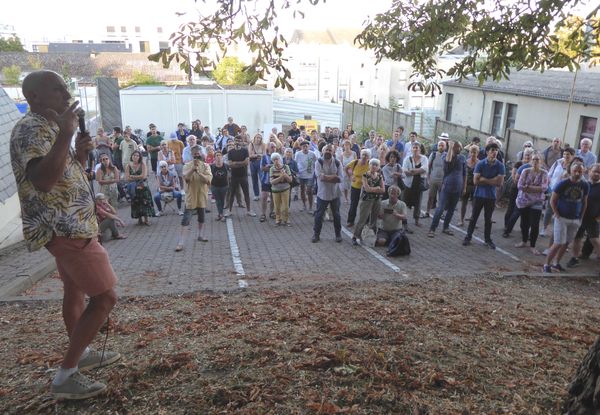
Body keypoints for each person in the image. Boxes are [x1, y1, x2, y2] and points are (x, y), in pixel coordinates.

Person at [10, 70, 119, 399]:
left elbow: (62, 175)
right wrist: (65, 136)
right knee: (105, 298)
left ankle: (80, 354)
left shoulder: (50, 127)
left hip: (75, 223)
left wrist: (79, 153)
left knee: (74, 290)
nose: (65, 91)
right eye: (57, 89)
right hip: (66, 228)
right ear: (35, 98)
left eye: (64, 86)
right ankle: (66, 376)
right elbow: (42, 181)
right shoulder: (30, 129)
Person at [543, 162, 589, 272]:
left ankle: (556, 263)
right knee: (558, 243)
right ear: (570, 171)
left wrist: (580, 218)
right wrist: (557, 214)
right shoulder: (563, 183)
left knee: (566, 243)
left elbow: (584, 202)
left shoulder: (585, 184)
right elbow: (552, 200)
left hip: (575, 219)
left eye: (580, 171)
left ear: (583, 172)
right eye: (575, 171)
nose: (577, 173)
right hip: (562, 218)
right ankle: (546, 265)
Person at [462, 142, 505, 249]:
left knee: (488, 219)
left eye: (496, 150)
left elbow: (499, 183)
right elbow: (476, 181)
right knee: (473, 218)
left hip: (491, 197)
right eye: (492, 150)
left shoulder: (500, 165)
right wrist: (492, 180)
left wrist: (484, 179)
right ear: (487, 152)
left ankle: (487, 239)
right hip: (479, 195)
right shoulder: (480, 164)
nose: (494, 152)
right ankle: (468, 237)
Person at [175, 146, 213, 251]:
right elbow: (186, 178)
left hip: (202, 196)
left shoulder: (206, 166)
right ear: (192, 155)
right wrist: (193, 169)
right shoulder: (187, 166)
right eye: (195, 154)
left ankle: (200, 235)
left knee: (202, 217)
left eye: (198, 153)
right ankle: (181, 242)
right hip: (191, 197)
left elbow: (208, 181)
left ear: (202, 154)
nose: (197, 155)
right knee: (185, 219)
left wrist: (199, 172)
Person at [428, 141, 466, 237]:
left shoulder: (462, 158)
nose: (460, 149)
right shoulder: (445, 156)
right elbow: (448, 161)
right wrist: (450, 147)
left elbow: (464, 174)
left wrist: (464, 187)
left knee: (452, 209)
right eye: (458, 147)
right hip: (446, 187)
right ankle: (432, 229)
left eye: (460, 147)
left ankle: (445, 227)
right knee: (440, 209)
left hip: (457, 188)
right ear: (453, 148)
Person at [513, 153, 548, 255]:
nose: (535, 161)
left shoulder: (544, 173)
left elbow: (544, 188)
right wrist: (535, 189)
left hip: (537, 202)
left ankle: (532, 246)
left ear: (541, 161)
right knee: (524, 223)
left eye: (537, 160)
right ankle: (524, 241)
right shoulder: (525, 171)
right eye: (533, 159)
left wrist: (528, 187)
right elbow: (520, 185)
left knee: (534, 224)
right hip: (523, 200)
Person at [567, 163, 600, 266]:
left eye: (599, 172)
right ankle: (574, 258)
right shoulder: (582, 184)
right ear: (589, 171)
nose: (597, 174)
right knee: (577, 238)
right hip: (579, 216)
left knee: (594, 239)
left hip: (593, 218)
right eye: (595, 171)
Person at [312, 144, 343, 243]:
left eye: (330, 150)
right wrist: (333, 177)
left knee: (336, 215)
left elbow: (340, 179)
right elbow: (320, 178)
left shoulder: (338, 163)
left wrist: (327, 177)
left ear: (333, 152)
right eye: (326, 150)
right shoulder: (318, 162)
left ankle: (338, 235)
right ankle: (316, 235)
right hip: (322, 194)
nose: (328, 151)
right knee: (319, 215)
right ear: (322, 151)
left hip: (335, 194)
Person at [352, 158, 385, 245]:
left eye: (376, 165)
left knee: (374, 219)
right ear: (369, 165)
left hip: (377, 200)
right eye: (372, 164)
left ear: (378, 167)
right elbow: (366, 189)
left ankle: (371, 237)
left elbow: (383, 189)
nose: (374, 166)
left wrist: (373, 189)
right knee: (363, 219)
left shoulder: (380, 176)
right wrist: (376, 189)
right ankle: (355, 236)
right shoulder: (365, 175)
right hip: (366, 200)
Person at [225, 135, 256, 217]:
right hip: (234, 176)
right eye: (236, 140)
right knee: (232, 194)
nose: (237, 142)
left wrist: (236, 163)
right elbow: (230, 164)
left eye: (239, 140)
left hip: (243, 175)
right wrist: (240, 163)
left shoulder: (245, 151)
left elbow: (246, 162)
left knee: (246, 194)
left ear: (241, 142)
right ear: (234, 141)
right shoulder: (230, 152)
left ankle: (249, 210)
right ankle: (229, 210)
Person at [402, 142, 429, 230]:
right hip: (408, 184)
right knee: (404, 202)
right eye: (414, 147)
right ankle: (403, 220)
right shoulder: (407, 158)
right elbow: (405, 171)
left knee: (418, 203)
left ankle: (416, 220)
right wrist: (418, 171)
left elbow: (425, 169)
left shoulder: (424, 158)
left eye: (417, 147)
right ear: (411, 149)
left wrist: (412, 171)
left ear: (420, 149)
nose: (415, 149)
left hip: (419, 184)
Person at [125, 150, 155, 225]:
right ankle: (139, 219)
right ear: (131, 156)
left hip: (143, 187)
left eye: (137, 155)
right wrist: (138, 177)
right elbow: (127, 178)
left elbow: (144, 176)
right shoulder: (128, 165)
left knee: (145, 202)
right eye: (134, 155)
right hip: (134, 188)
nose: (135, 157)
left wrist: (133, 176)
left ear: (139, 157)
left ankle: (146, 219)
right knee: (136, 203)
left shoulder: (142, 164)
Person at [346, 149, 371, 226]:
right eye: (363, 154)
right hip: (355, 186)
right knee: (354, 204)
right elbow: (346, 168)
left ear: (369, 157)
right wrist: (351, 176)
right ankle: (350, 221)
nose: (364, 156)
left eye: (366, 155)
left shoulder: (370, 164)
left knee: (366, 205)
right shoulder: (355, 162)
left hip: (366, 187)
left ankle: (366, 222)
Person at [425, 140, 447, 218]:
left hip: (442, 181)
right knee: (431, 197)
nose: (441, 147)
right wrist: (428, 178)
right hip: (433, 180)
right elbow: (429, 167)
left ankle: (440, 213)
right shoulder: (433, 154)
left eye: (442, 145)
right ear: (437, 146)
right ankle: (427, 212)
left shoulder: (447, 156)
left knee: (441, 198)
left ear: (445, 146)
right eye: (439, 145)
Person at [269, 152, 293, 226]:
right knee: (277, 206)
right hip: (275, 190)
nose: (276, 161)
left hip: (285, 189)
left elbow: (290, 180)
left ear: (280, 159)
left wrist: (284, 175)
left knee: (285, 206)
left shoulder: (286, 167)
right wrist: (281, 177)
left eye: (277, 159)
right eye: (274, 160)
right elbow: (272, 182)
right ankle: (278, 220)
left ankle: (286, 220)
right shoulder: (272, 169)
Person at [295, 140, 317, 213]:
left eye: (306, 146)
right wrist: (296, 173)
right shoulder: (298, 154)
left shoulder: (312, 154)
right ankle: (304, 205)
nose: (305, 148)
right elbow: (295, 163)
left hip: (310, 175)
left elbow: (316, 163)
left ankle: (310, 207)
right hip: (301, 175)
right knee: (302, 190)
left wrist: (316, 173)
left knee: (309, 191)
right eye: (303, 146)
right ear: (301, 147)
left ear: (309, 147)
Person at [459, 144, 479, 226]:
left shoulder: (480, 163)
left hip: (476, 186)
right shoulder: (466, 162)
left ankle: (473, 220)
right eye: (472, 152)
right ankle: (461, 220)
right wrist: (463, 187)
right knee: (464, 203)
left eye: (475, 152)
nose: (473, 154)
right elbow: (462, 174)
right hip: (466, 185)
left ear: (477, 153)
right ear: (469, 152)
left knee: (475, 205)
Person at [259, 142, 276, 222]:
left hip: (275, 180)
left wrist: (269, 166)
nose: (274, 148)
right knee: (264, 197)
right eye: (272, 147)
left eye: (275, 147)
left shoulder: (277, 157)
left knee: (273, 197)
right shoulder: (264, 157)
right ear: (268, 148)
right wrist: (273, 167)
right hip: (265, 180)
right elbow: (262, 168)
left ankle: (272, 212)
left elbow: (281, 167)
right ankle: (263, 214)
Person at [210, 151, 229, 221]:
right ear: (214, 158)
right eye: (216, 155)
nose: (218, 157)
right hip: (214, 186)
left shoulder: (226, 166)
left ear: (222, 157)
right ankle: (221, 215)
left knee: (222, 200)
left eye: (219, 155)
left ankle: (219, 214)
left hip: (224, 186)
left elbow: (230, 175)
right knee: (218, 200)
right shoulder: (211, 166)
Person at [339, 139, 357, 204]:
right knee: (345, 187)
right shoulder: (342, 155)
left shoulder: (354, 153)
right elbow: (341, 164)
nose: (346, 146)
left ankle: (352, 198)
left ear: (350, 145)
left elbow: (356, 163)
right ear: (343, 146)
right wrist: (346, 171)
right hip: (345, 172)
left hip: (353, 172)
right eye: (345, 145)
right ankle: (346, 198)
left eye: (348, 145)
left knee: (352, 186)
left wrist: (352, 171)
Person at [249, 133, 266, 201]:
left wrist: (255, 155)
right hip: (253, 163)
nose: (258, 139)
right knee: (254, 179)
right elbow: (250, 155)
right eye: (257, 137)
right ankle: (256, 195)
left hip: (261, 163)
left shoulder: (263, 144)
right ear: (254, 138)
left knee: (262, 178)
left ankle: (265, 193)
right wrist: (259, 155)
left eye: (259, 137)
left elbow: (264, 155)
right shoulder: (251, 144)